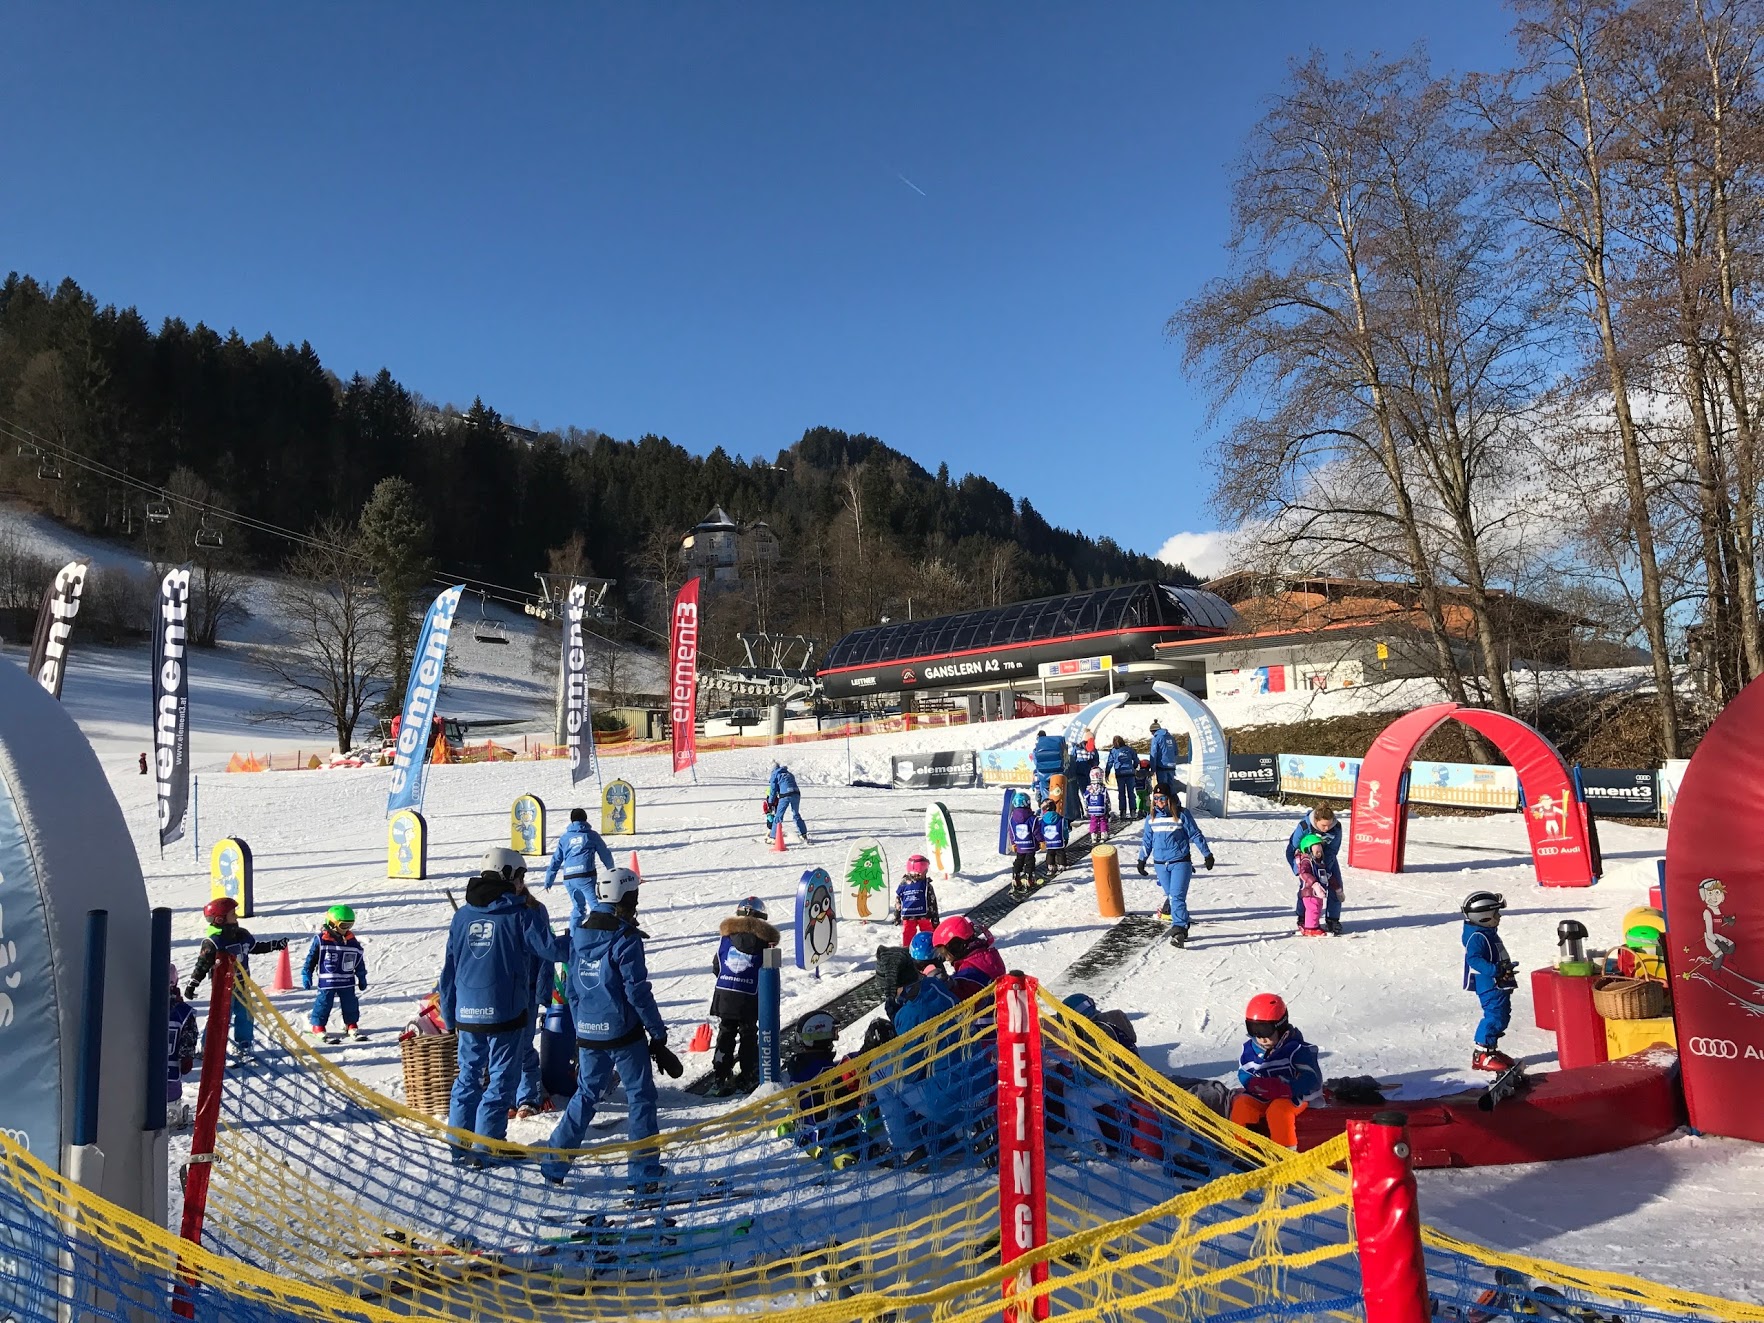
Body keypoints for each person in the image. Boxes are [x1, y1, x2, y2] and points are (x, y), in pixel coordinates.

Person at [543, 866, 678, 1189]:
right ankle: (643, 1173)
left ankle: (554, 1162)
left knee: (586, 1095)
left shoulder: (578, 934)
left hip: (590, 1033)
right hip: (623, 1035)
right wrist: (657, 1033)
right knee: (641, 1097)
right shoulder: (625, 938)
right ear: (627, 898)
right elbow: (637, 992)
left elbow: (573, 988)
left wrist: (582, 1027)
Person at [439, 848, 565, 1164]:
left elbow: (449, 969)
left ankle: (459, 1145)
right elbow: (550, 950)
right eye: (521, 876)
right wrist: (588, 939)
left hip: (468, 1013)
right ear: (509, 876)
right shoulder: (520, 914)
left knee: (467, 1077)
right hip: (505, 1013)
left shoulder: (462, 916)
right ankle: (488, 1146)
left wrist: (450, 1014)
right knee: (500, 1081)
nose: (523, 882)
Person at [184, 897, 290, 1063]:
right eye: (232, 914)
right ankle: (208, 1048)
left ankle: (244, 1045)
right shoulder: (213, 942)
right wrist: (193, 984)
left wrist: (275, 945)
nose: (236, 916)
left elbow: (254, 948)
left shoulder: (242, 935)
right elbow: (202, 965)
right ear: (220, 919)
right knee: (219, 1018)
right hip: (223, 989)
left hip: (243, 986)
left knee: (245, 1015)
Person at [1229, 993, 1322, 1149]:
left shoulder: (1296, 1049)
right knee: (1242, 1104)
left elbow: (1312, 1079)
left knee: (1278, 1111)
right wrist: (1253, 1083)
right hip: (1264, 1094)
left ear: (1280, 1026)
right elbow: (1243, 1072)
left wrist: (1288, 1088)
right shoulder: (1250, 1049)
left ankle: (1285, 1155)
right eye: (1253, 1029)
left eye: (1265, 1030)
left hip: (1293, 1095)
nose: (1261, 1038)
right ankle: (1243, 1150)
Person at [709, 897, 780, 1097]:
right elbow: (770, 973)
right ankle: (749, 1073)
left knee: (726, 1031)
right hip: (750, 996)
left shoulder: (726, 939)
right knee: (748, 1033)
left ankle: (720, 1074)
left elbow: (717, 966)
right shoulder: (766, 944)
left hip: (725, 995)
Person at [1137, 786, 1214, 946]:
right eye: (1156, 798)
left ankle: (1178, 930)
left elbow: (1195, 834)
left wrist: (1207, 854)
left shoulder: (1181, 814)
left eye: (1162, 798)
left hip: (1180, 862)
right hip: (1160, 864)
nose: (1159, 802)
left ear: (1169, 799)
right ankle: (1183, 922)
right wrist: (1142, 860)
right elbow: (1147, 841)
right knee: (1172, 897)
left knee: (1177, 897)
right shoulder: (1151, 818)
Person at [1461, 891, 1518, 1072]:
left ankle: (1491, 1050)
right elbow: (1474, 959)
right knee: (1494, 1016)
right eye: (1496, 913)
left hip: (1498, 982)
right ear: (1484, 917)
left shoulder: (1487, 932)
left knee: (1502, 1015)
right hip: (1489, 984)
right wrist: (1495, 970)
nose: (1499, 917)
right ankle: (1482, 1054)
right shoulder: (1478, 936)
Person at [302, 904, 369, 1039]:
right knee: (323, 1003)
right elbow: (312, 958)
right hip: (328, 980)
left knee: (350, 1003)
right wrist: (306, 972)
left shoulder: (352, 942)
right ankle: (318, 1026)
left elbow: (358, 959)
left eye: (350, 925)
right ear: (331, 924)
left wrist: (361, 976)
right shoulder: (321, 940)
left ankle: (351, 1024)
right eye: (343, 925)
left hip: (347, 980)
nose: (346, 929)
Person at [544, 807, 615, 925]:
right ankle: (602, 931)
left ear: (571, 820)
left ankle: (573, 934)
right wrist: (611, 870)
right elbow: (605, 854)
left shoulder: (565, 838)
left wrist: (548, 880)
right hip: (585, 876)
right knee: (596, 907)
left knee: (578, 908)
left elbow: (556, 860)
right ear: (585, 819)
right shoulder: (591, 835)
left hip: (569, 878)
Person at [1284, 806, 1344, 935]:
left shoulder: (1336, 828)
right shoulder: (1304, 826)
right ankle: (1302, 917)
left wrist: (1325, 869)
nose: (1327, 828)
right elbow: (1292, 849)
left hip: (1327, 857)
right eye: (1323, 825)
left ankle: (1333, 919)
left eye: (1329, 825)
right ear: (1316, 821)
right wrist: (1300, 870)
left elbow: (1333, 850)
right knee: (1307, 889)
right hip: (1306, 857)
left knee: (1336, 884)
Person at [933, 915, 1006, 997]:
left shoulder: (968, 973)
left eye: (945, 954)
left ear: (956, 947)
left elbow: (960, 998)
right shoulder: (987, 955)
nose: (946, 959)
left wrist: (945, 985)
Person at [166, 965, 199, 1127]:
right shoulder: (182, 1011)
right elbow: (189, 1036)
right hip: (171, 1064)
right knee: (171, 1085)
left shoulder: (145, 1006)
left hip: (146, 1062)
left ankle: (170, 1111)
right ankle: (173, 1112)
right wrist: (187, 1056)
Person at [894, 854, 940, 951]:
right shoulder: (926, 885)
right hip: (924, 915)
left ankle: (907, 951)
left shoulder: (903, 883)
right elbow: (932, 903)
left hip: (908, 915)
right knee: (928, 933)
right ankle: (930, 950)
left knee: (908, 934)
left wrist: (897, 915)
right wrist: (935, 920)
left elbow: (898, 900)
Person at [1293, 837, 1332, 938]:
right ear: (1308, 850)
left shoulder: (1319, 862)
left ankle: (1313, 925)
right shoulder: (1307, 861)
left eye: (1320, 850)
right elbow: (1304, 873)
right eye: (1316, 850)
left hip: (1317, 892)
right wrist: (1315, 884)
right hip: (1310, 891)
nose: (1319, 853)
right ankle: (1311, 928)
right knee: (1313, 908)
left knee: (1317, 908)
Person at [1007, 791, 1039, 895]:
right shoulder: (1032, 818)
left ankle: (1016, 876)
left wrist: (1013, 842)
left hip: (1019, 844)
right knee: (1029, 861)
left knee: (1019, 859)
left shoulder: (1012, 818)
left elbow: (1011, 831)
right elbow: (1036, 831)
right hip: (1030, 844)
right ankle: (1029, 878)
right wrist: (1041, 840)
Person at [768, 762, 808, 844]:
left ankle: (773, 837)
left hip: (785, 795)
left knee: (778, 816)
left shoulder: (775, 774)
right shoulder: (789, 774)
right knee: (796, 814)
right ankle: (803, 834)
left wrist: (770, 802)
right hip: (796, 794)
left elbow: (773, 790)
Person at [1106, 736, 1140, 820]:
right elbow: (1136, 760)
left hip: (1120, 773)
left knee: (1121, 793)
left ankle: (1123, 811)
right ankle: (1133, 811)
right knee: (1131, 793)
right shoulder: (1129, 749)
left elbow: (1110, 762)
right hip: (1130, 773)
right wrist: (1133, 767)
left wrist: (1107, 773)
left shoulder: (1113, 751)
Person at [1147, 719, 1181, 801]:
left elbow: (1153, 754)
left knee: (1162, 788)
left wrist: (1153, 769)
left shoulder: (1156, 738)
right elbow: (1176, 752)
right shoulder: (1171, 737)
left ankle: (1164, 805)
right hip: (1171, 766)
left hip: (1162, 766)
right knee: (1171, 787)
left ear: (1153, 731)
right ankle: (1175, 804)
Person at [1037, 798, 1069, 877]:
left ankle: (1051, 866)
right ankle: (1061, 865)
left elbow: (1039, 831)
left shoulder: (1042, 820)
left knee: (1050, 853)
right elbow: (1065, 829)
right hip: (1059, 841)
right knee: (1060, 853)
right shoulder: (1061, 819)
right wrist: (1066, 838)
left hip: (1048, 841)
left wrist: (1041, 840)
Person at [1031, 729, 1065, 803]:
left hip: (1043, 776)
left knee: (1045, 796)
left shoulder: (1036, 750)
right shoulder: (1053, 747)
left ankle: (1047, 807)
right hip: (1056, 773)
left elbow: (1036, 762)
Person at [1082, 769, 1111, 842]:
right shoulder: (1103, 788)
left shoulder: (1089, 788)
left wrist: (1086, 807)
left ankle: (1093, 835)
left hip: (1092, 809)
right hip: (1101, 808)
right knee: (1103, 820)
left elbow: (1085, 797)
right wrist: (1108, 807)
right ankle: (1103, 834)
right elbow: (1106, 798)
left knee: (1093, 821)